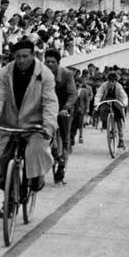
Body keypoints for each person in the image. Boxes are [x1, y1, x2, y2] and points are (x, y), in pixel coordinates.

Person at [0, 40, 58, 218]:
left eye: (25, 56)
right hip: (10, 124)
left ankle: (35, 178)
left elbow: (50, 102)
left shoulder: (45, 74)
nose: (22, 60)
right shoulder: (5, 73)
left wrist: (48, 126)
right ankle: (8, 198)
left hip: (35, 125)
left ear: (33, 55)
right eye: (18, 57)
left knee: (36, 151)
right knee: (1, 159)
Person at [43, 49, 76, 184]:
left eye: (53, 62)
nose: (50, 64)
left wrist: (66, 107)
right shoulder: (40, 73)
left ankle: (62, 166)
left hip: (63, 109)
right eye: (47, 61)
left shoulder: (66, 74)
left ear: (58, 63)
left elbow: (72, 93)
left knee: (64, 137)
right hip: (46, 109)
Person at [93, 72, 129, 149]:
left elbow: (124, 96)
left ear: (116, 81)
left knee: (119, 116)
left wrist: (124, 103)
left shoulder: (119, 86)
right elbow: (98, 95)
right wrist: (96, 104)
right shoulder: (104, 85)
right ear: (107, 80)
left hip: (116, 101)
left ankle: (121, 138)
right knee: (102, 110)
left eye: (113, 81)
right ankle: (105, 123)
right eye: (110, 81)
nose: (111, 83)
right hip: (106, 101)